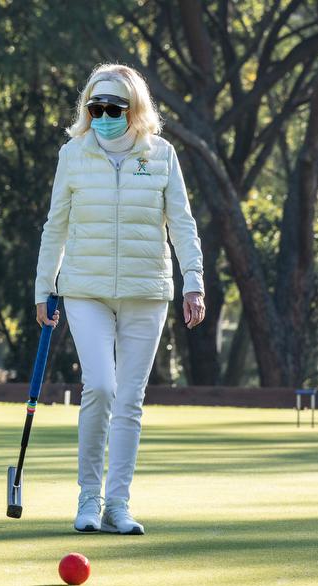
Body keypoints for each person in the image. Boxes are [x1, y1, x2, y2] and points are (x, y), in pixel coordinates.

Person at [34, 64, 206, 534]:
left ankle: (118, 504)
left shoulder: (163, 154)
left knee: (130, 399)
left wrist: (194, 280)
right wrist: (43, 287)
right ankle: (88, 499)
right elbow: (56, 226)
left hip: (145, 290)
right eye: (97, 108)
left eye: (114, 108)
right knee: (101, 388)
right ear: (87, 110)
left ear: (134, 109)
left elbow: (182, 223)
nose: (105, 115)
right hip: (84, 289)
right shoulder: (72, 154)